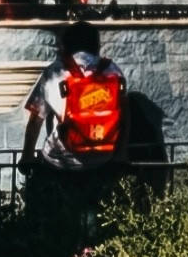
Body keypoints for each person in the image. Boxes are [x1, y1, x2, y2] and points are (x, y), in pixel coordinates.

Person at [20, 23, 128, 232]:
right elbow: (124, 115)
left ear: (66, 45)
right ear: (96, 44)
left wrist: (27, 156)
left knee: (56, 223)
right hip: (102, 160)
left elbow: (35, 120)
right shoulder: (112, 70)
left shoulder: (56, 71)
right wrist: (121, 154)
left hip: (61, 163)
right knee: (97, 221)